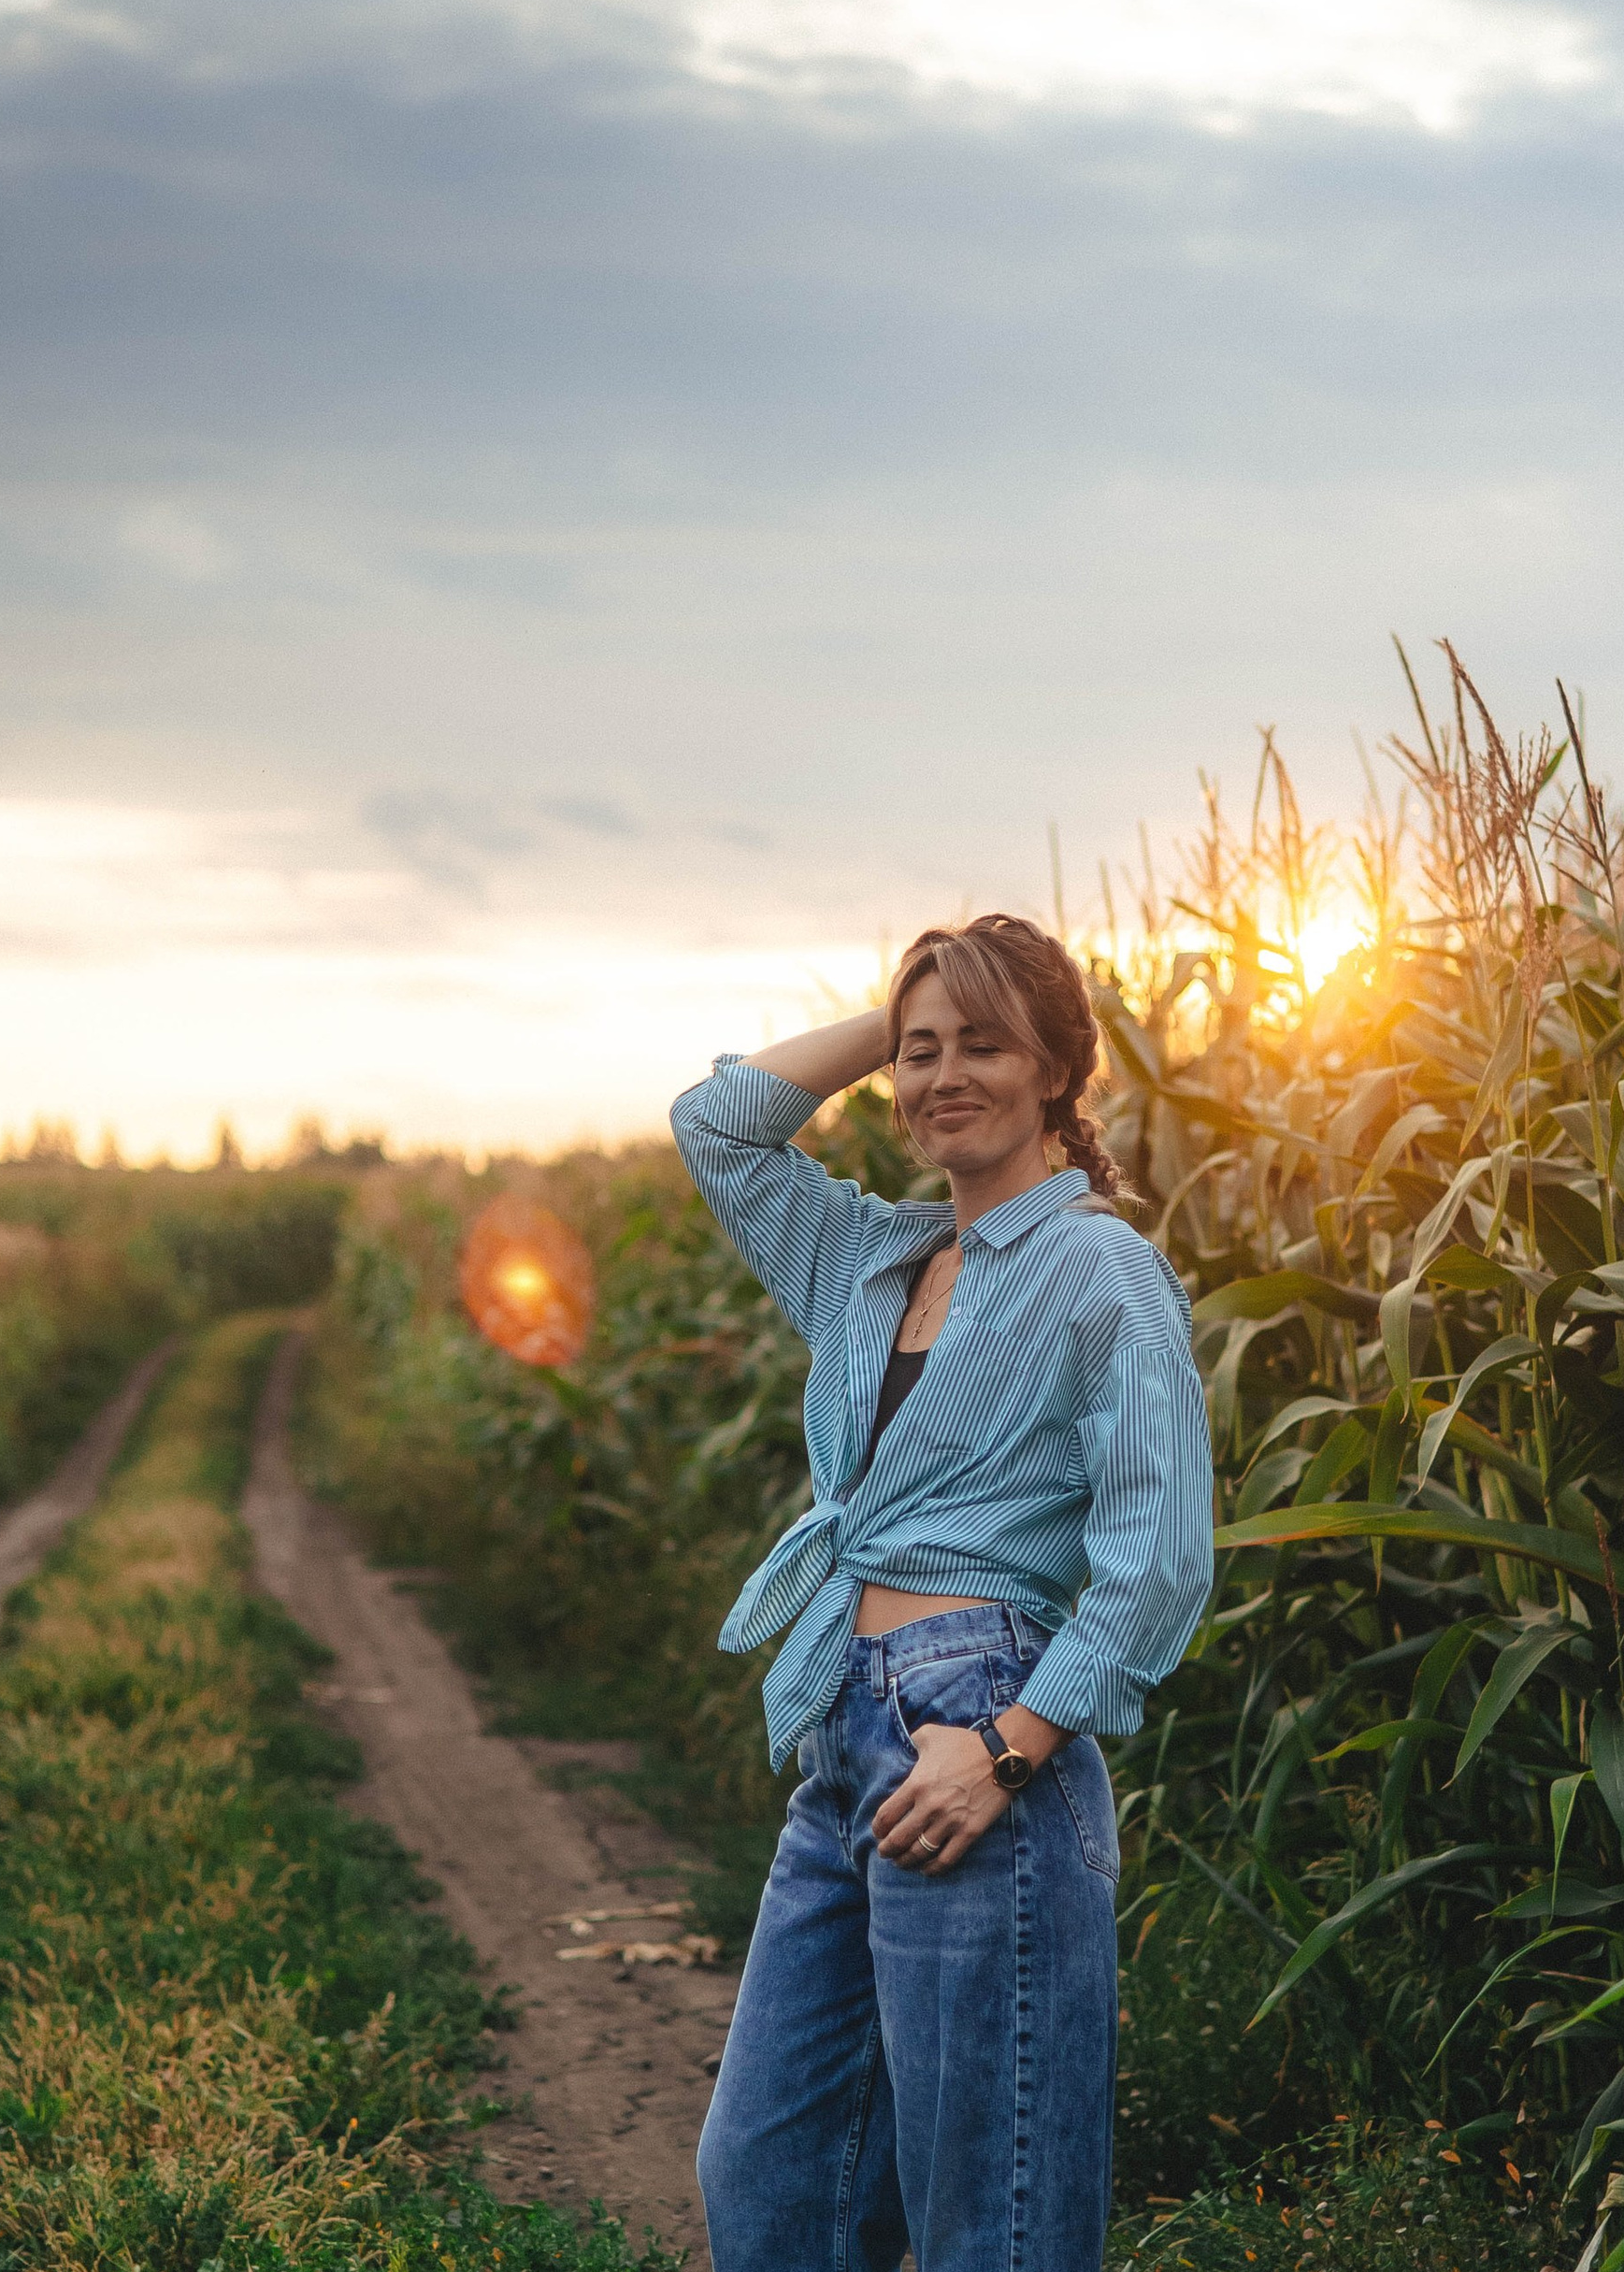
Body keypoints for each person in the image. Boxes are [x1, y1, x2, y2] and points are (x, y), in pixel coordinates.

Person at [671, 912, 1214, 2272]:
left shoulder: (1103, 1270)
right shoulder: (869, 1258)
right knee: (771, 2181)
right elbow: (718, 1127)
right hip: (846, 1742)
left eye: (985, 1045)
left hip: (975, 1730)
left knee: (996, 2209)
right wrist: (894, 1014)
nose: (940, 1077)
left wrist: (1007, 1750)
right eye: (920, 1057)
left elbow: (1159, 1560)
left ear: (1055, 1071)